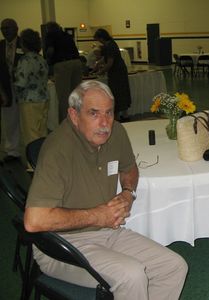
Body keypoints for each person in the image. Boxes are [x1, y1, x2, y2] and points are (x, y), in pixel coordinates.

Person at [24, 80, 188, 299]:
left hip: (107, 232)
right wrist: (98, 216)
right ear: (74, 115)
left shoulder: (115, 132)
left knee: (174, 266)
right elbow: (34, 221)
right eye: (93, 113)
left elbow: (129, 168)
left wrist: (129, 193)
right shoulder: (58, 150)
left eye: (109, 113)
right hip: (61, 245)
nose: (104, 123)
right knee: (132, 276)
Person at [14, 28, 49, 151]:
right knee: (42, 131)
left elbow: (21, 83)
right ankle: (43, 158)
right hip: (43, 98)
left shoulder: (25, 60)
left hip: (29, 101)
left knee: (30, 133)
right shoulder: (41, 59)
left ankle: (32, 163)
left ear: (24, 43)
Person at [44, 21, 82, 123]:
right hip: (76, 62)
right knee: (77, 95)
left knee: (64, 97)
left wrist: (48, 62)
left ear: (48, 29)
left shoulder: (50, 35)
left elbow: (50, 51)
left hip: (63, 64)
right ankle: (79, 120)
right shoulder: (67, 35)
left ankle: (66, 123)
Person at [93, 28, 131, 121]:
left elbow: (110, 63)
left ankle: (117, 117)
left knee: (116, 93)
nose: (99, 42)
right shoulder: (111, 43)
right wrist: (98, 64)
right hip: (119, 70)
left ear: (102, 38)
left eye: (98, 40)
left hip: (117, 73)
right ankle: (125, 115)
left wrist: (100, 72)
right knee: (122, 92)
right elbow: (106, 58)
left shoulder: (109, 46)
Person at [0, 18, 23, 161]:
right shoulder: (0, 46)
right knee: (9, 120)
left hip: (25, 89)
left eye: (7, 28)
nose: (4, 31)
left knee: (28, 122)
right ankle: (12, 151)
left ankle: (33, 150)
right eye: (2, 28)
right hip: (6, 88)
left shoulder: (24, 43)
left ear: (16, 28)